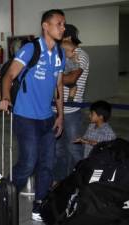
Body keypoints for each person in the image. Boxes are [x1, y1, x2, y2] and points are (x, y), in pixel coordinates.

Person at [0, 9, 66, 222]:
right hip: (25, 116)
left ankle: (39, 204)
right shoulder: (30, 49)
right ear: (45, 26)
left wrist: (60, 115)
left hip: (47, 117)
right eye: (59, 23)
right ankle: (4, 194)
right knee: (28, 162)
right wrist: (5, 97)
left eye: (64, 24)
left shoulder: (60, 54)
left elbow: (58, 86)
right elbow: (9, 76)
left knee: (46, 163)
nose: (63, 27)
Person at [53, 24, 90, 183]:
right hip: (54, 110)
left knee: (75, 149)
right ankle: (62, 182)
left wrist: (53, 79)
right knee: (58, 150)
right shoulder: (59, 54)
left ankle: (82, 182)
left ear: (67, 38)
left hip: (71, 112)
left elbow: (71, 79)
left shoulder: (80, 54)